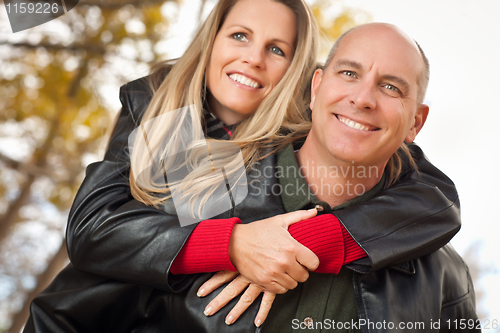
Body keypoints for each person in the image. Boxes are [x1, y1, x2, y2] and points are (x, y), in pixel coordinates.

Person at [23, 0, 460, 330]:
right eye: (239, 36)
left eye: (276, 49)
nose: (253, 57)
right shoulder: (161, 114)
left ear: (299, 76)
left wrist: (312, 238)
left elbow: (434, 197)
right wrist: (231, 244)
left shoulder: (319, 122)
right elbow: (94, 233)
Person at [200, 22, 479, 332]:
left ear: (415, 122)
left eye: (391, 87)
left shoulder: (447, 277)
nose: (362, 99)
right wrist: (224, 244)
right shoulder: (201, 191)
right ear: (316, 87)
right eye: (349, 73)